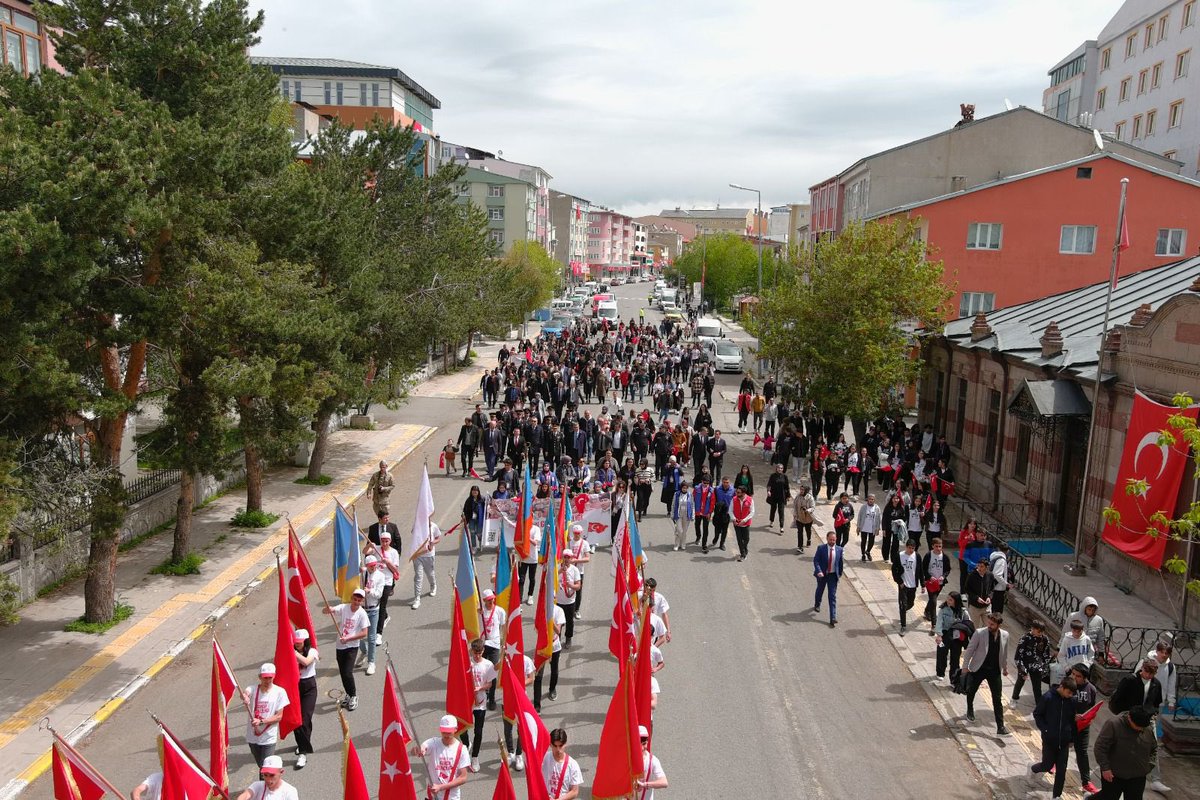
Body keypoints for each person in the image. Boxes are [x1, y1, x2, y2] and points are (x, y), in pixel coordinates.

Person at [962, 613, 1011, 735]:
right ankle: (970, 709)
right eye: (988, 623)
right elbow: (970, 650)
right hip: (979, 668)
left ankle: (1000, 727)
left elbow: (1004, 653)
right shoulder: (979, 633)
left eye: (992, 624)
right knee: (971, 690)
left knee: (997, 698)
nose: (989, 625)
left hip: (994, 671)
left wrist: (1004, 668)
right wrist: (965, 666)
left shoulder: (1005, 635)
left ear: (998, 625)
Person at [1030, 676, 1078, 799]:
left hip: (1064, 741)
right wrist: (1046, 730)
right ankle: (1033, 769)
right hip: (1050, 740)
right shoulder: (1048, 698)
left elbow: (1072, 720)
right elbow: (1037, 714)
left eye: (1072, 694)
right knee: (1047, 765)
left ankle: (1056, 796)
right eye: (1068, 693)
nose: (1070, 695)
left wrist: (1072, 737)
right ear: (1062, 687)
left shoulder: (1071, 701)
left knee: (1061, 770)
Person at [326, 588, 370, 711]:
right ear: (351, 598)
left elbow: (364, 633)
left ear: (362, 601)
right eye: (355, 599)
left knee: (347, 672)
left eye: (359, 600)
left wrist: (349, 638)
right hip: (340, 646)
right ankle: (349, 694)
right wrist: (329, 609)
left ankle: (354, 696)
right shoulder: (344, 607)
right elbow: (329, 611)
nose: (356, 602)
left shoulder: (362, 614)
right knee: (343, 673)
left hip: (352, 646)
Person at [241, 663, 290, 767]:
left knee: (266, 766)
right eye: (265, 678)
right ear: (260, 677)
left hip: (269, 737)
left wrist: (261, 721)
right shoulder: (253, 689)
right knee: (261, 765)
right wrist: (245, 697)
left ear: (274, 676)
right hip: (253, 736)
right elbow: (246, 692)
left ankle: (265, 782)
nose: (267, 681)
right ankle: (264, 781)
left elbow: (279, 717)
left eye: (270, 678)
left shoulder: (280, 692)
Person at [461, 639, 497, 772]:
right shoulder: (467, 663)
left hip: (480, 702)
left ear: (483, 651)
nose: (477, 656)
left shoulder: (488, 665)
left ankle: (475, 757)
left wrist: (480, 688)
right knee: (463, 727)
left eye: (479, 653)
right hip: (467, 701)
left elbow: (490, 684)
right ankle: (466, 744)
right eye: (475, 653)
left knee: (479, 731)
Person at [415, 714, 471, 800]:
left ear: (456, 729)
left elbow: (463, 777)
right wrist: (419, 749)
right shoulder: (434, 743)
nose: (446, 735)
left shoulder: (462, 749)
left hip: (451, 796)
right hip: (433, 795)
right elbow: (424, 746)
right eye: (444, 731)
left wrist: (441, 787)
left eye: (449, 732)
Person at [1068, 663, 1101, 795]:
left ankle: (1086, 782)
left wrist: (1089, 717)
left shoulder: (1091, 689)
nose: (1074, 678)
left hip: (1083, 726)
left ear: (1085, 678)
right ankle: (1051, 763)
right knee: (1060, 748)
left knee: (1082, 753)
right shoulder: (1067, 685)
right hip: (1067, 725)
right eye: (1073, 674)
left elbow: (1092, 707)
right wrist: (1071, 716)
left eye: (1078, 676)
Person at [292, 629, 318, 769]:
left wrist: (293, 653)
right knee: (296, 720)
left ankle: (303, 752)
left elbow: (307, 662)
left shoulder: (312, 651)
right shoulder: (291, 651)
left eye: (300, 643)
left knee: (305, 718)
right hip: (295, 687)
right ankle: (302, 744)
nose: (297, 645)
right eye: (295, 643)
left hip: (309, 688)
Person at [534, 602, 567, 709]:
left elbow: (558, 631)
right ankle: (537, 704)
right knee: (538, 675)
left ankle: (552, 689)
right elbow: (538, 628)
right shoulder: (541, 610)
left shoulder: (559, 611)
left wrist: (550, 620)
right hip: (543, 646)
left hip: (555, 646)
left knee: (554, 670)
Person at [1012, 620, 1053, 705]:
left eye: (1042, 632)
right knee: (1020, 682)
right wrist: (1022, 669)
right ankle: (1014, 699)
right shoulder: (1025, 638)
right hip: (1025, 664)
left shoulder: (1045, 639)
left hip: (1037, 666)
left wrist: (1045, 667)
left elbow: (1046, 654)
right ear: (1033, 629)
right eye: (1038, 631)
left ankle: (1038, 704)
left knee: (1037, 686)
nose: (1040, 634)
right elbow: (1018, 655)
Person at [934, 591, 970, 682]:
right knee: (941, 652)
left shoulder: (963, 611)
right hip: (944, 635)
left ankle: (953, 678)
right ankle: (940, 673)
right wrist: (939, 635)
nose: (948, 601)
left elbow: (968, 624)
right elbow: (939, 622)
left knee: (955, 658)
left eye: (950, 600)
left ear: (956, 601)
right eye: (948, 599)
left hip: (957, 638)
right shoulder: (943, 609)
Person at [358, 555, 385, 674]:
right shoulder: (362, 574)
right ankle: (364, 651)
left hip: (373, 609)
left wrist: (370, 592)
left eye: (375, 565)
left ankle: (371, 662)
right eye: (371, 566)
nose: (373, 567)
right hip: (361, 608)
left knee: (371, 637)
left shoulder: (380, 576)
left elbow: (379, 594)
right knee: (358, 634)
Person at [480, 589, 506, 709]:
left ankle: (492, 698)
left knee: (494, 670)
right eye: (489, 600)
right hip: (483, 644)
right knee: (483, 670)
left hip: (495, 644)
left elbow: (503, 626)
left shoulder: (500, 611)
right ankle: (483, 691)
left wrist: (504, 641)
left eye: (493, 599)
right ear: (484, 600)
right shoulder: (480, 611)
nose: (491, 602)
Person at [813, 531, 844, 627]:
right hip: (822, 575)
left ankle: (833, 618)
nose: (832, 541)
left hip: (832, 576)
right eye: (830, 539)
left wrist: (839, 574)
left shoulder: (839, 549)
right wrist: (819, 571)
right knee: (820, 590)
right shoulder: (821, 548)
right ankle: (817, 603)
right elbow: (816, 560)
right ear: (827, 539)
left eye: (834, 540)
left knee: (832, 596)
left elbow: (840, 563)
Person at [543, 728, 584, 800]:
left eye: (561, 746)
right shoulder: (544, 758)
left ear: (565, 744)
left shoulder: (573, 765)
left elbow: (574, 791)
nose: (558, 750)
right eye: (555, 746)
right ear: (550, 744)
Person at [892, 538, 921, 635]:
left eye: (913, 548)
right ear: (906, 547)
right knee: (903, 604)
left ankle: (903, 611)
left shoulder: (917, 556)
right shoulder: (900, 555)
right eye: (909, 548)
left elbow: (920, 571)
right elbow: (894, 570)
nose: (911, 550)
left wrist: (923, 584)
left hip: (913, 585)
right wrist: (899, 581)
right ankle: (903, 626)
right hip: (903, 585)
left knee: (911, 603)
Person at [411, 521, 442, 610]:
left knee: (430, 574)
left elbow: (438, 538)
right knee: (418, 576)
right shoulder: (417, 524)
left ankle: (433, 585)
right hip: (417, 554)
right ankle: (417, 598)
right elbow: (413, 534)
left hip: (429, 555)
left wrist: (432, 542)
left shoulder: (434, 526)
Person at [920, 537, 951, 627]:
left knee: (932, 599)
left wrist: (943, 576)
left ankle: (927, 611)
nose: (938, 548)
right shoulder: (928, 555)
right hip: (931, 582)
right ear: (932, 546)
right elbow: (923, 569)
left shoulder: (945, 557)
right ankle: (934, 623)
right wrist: (929, 577)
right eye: (936, 546)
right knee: (934, 601)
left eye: (940, 546)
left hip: (940, 583)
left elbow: (948, 569)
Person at [556, 551, 582, 646]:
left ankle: (568, 638)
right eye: (565, 557)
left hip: (570, 601)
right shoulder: (557, 567)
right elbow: (550, 580)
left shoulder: (575, 570)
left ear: (571, 559)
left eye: (568, 557)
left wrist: (571, 585)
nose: (566, 559)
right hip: (558, 601)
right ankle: (557, 639)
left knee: (569, 621)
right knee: (558, 622)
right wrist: (559, 572)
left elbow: (578, 586)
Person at [635, 725, 668, 800]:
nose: (643, 747)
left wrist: (644, 785)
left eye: (644, 743)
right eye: (639, 744)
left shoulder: (653, 760)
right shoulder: (626, 761)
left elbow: (664, 782)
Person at [566, 524, 592, 618]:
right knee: (568, 589)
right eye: (575, 533)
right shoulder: (569, 542)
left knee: (578, 590)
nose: (577, 535)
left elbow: (587, 558)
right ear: (573, 532)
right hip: (569, 570)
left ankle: (576, 610)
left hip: (579, 571)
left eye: (578, 533)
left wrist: (576, 561)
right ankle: (569, 609)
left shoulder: (584, 543)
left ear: (581, 533)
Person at [731, 483, 754, 562]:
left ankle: (744, 549)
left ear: (743, 493)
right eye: (736, 492)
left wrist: (744, 520)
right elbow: (730, 511)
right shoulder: (734, 499)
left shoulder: (750, 500)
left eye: (738, 492)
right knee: (739, 539)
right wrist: (734, 519)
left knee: (746, 539)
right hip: (737, 523)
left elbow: (752, 512)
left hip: (746, 523)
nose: (736, 494)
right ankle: (743, 554)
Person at [765, 463, 790, 535]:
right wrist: (769, 491)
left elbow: (787, 487)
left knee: (781, 512)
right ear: (776, 469)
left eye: (781, 468)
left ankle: (781, 527)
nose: (780, 469)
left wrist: (788, 495)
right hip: (774, 496)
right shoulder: (772, 476)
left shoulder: (785, 476)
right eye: (779, 468)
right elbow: (769, 484)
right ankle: (771, 521)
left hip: (782, 496)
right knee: (773, 509)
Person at [692, 476, 716, 552]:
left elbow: (712, 502)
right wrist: (693, 510)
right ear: (702, 481)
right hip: (698, 511)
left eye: (707, 483)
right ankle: (698, 537)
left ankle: (704, 544)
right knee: (697, 525)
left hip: (706, 513)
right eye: (704, 483)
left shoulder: (711, 491)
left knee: (705, 528)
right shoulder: (696, 488)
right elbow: (693, 499)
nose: (706, 484)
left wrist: (710, 512)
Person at [670, 478, 694, 551]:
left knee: (684, 531)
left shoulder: (690, 495)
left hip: (686, 515)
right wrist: (672, 514)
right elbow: (673, 504)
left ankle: (683, 544)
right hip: (678, 515)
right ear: (681, 488)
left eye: (686, 488)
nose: (684, 489)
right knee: (679, 530)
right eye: (683, 488)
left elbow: (692, 505)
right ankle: (676, 544)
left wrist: (693, 515)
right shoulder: (676, 494)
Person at [988, 541, 1012, 614]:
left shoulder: (994, 556)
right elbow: (997, 574)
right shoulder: (1001, 560)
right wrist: (1006, 584)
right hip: (998, 589)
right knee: (996, 611)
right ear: (1007, 551)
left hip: (994, 587)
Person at [792, 483, 815, 554]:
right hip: (799, 518)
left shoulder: (810, 498)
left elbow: (813, 507)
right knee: (800, 532)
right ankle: (800, 547)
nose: (801, 491)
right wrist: (795, 514)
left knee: (808, 530)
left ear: (806, 490)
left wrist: (807, 510)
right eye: (800, 489)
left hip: (808, 518)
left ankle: (809, 539)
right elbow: (795, 506)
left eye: (803, 490)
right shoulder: (797, 497)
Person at [462, 485, 487, 552]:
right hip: (471, 519)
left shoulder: (482, 499)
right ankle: (474, 547)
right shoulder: (469, 500)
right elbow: (465, 509)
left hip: (480, 520)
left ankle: (480, 544)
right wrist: (463, 517)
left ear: (478, 492)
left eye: (476, 490)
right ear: (471, 491)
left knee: (479, 533)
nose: (475, 492)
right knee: (472, 533)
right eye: (473, 490)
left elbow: (486, 508)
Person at [857, 493, 881, 561]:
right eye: (870, 499)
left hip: (872, 528)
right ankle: (863, 554)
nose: (871, 500)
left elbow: (879, 519)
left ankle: (868, 551)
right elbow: (859, 517)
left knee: (871, 542)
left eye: (872, 499)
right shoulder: (863, 507)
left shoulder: (877, 508)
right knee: (863, 542)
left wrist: (878, 528)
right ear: (867, 499)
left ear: (874, 500)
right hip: (864, 527)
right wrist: (858, 527)